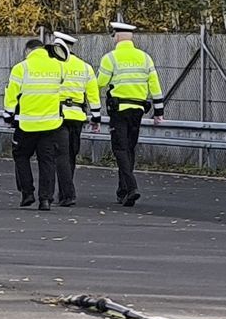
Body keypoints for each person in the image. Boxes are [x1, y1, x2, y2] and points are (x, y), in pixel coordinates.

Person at [97, 20, 164, 207]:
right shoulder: (145, 58)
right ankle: (123, 191)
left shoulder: (110, 58)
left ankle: (132, 186)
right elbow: (155, 85)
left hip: (119, 111)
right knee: (129, 149)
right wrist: (159, 110)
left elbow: (99, 83)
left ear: (117, 37)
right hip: (138, 111)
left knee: (120, 149)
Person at [5, 37, 67, 210]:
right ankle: (45, 199)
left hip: (27, 124)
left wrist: (8, 114)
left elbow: (12, 94)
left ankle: (27, 193)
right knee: (47, 161)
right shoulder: (58, 66)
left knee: (21, 156)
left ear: (27, 51)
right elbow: (61, 86)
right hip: (50, 124)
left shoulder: (21, 68)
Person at [52, 31, 99, 208]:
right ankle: (65, 191)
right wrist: (96, 115)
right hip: (77, 116)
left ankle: (66, 194)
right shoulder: (85, 67)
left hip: (58, 115)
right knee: (71, 154)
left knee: (59, 156)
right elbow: (93, 94)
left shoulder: (53, 65)